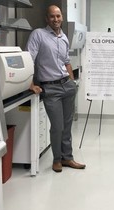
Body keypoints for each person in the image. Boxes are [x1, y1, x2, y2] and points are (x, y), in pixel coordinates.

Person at [26, 5, 86, 173]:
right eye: (52, 16)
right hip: (50, 88)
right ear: (47, 18)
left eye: (58, 16)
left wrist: (71, 82)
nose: (56, 19)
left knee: (67, 126)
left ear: (61, 17)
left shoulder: (64, 37)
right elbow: (29, 59)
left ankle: (68, 158)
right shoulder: (38, 35)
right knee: (57, 126)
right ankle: (57, 159)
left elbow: (66, 61)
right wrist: (30, 84)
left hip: (66, 85)